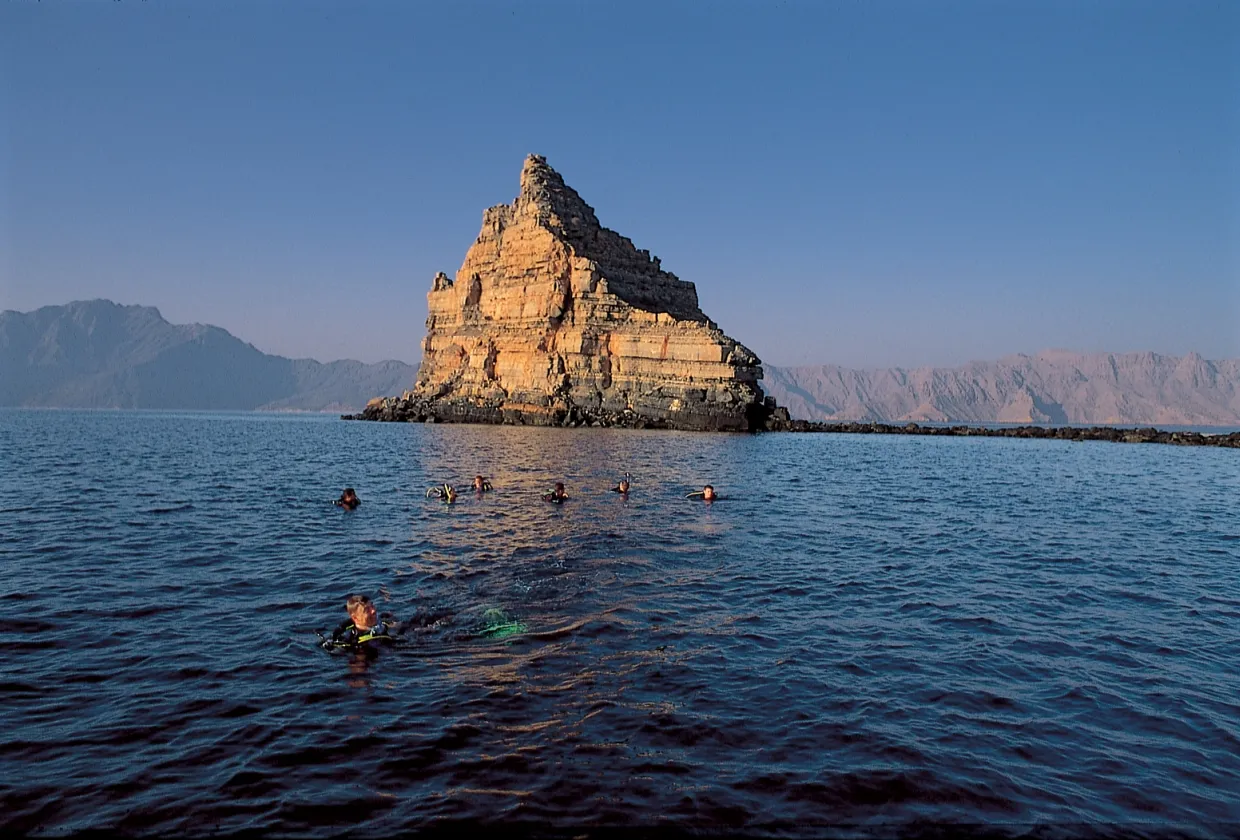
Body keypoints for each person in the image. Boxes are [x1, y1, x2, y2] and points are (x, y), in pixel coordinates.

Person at [322, 594, 392, 651]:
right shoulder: (354, 640)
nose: (373, 611)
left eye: (372, 606)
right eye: (367, 610)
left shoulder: (382, 621)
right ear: (355, 617)